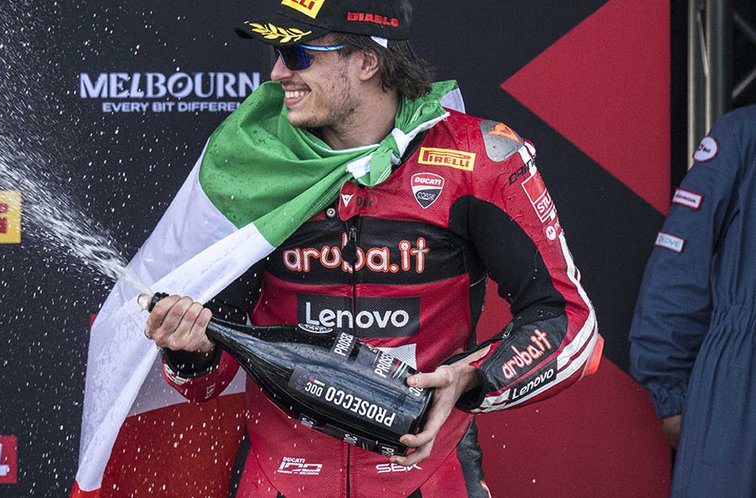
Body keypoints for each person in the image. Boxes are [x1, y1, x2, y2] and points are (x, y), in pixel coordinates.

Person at [144, 1, 602, 496]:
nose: (277, 74)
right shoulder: (254, 163)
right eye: (277, 54)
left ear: (366, 61)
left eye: (297, 55)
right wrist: (189, 350)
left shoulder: (478, 159)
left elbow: (568, 320)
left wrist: (469, 378)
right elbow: (206, 380)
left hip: (431, 476)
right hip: (278, 478)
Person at [629, 105, 756, 497]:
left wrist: (671, 395)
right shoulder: (743, 134)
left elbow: (677, 264)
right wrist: (670, 392)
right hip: (739, 381)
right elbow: (679, 261)